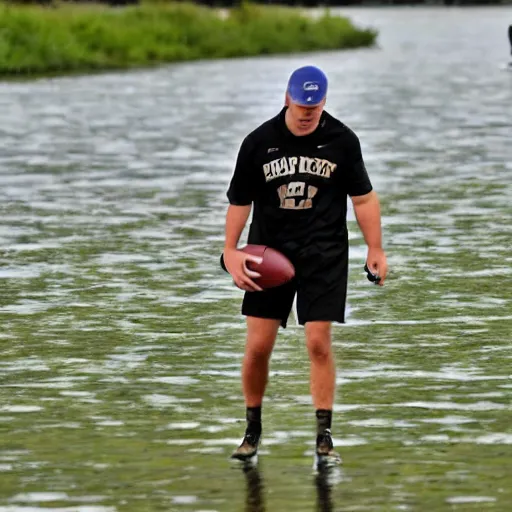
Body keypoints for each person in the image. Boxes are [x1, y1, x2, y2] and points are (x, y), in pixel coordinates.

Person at [222, 65, 388, 466]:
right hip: (270, 251)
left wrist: (375, 249)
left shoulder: (342, 141)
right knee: (258, 347)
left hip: (324, 253)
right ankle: (252, 429)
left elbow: (363, 198)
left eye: (313, 108)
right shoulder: (258, 143)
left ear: (324, 102)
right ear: (286, 98)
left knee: (317, 342)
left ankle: (324, 435)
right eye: (300, 106)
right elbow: (240, 201)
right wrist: (230, 250)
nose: (306, 113)